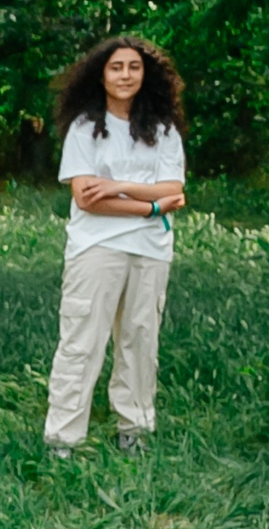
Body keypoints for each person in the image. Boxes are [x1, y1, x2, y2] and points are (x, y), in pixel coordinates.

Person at [43, 36, 187, 457]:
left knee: (141, 342)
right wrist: (150, 206)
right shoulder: (85, 128)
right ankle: (63, 438)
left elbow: (175, 190)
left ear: (147, 75)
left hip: (151, 251)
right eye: (116, 67)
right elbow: (87, 198)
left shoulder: (162, 130)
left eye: (134, 67)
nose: (125, 75)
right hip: (96, 248)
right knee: (82, 339)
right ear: (101, 75)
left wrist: (119, 185)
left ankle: (135, 429)